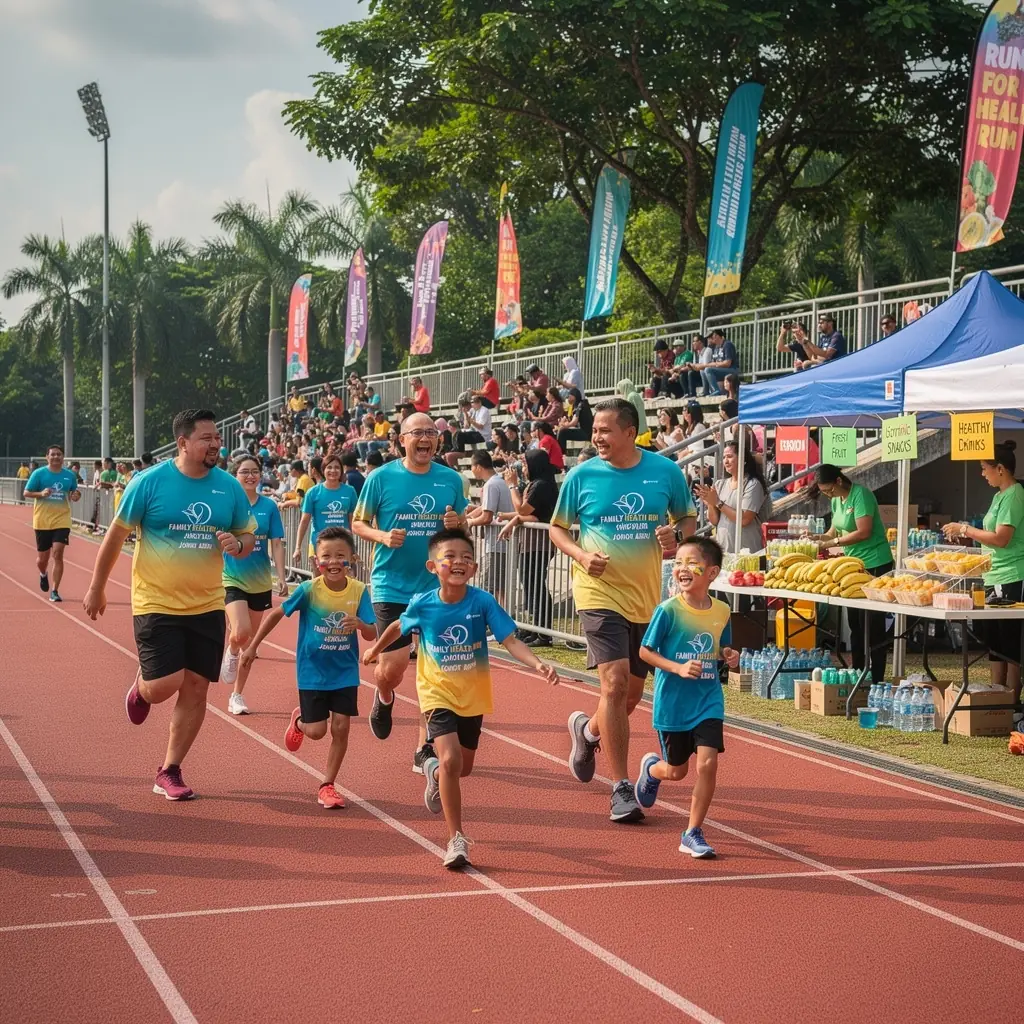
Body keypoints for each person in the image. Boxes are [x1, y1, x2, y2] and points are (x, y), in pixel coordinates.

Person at [83, 409, 257, 801]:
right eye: (206, 438)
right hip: (156, 601)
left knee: (197, 689)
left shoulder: (227, 487)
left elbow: (248, 539)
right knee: (164, 685)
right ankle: (142, 690)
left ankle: (170, 770)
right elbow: (116, 535)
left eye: (216, 438)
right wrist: (97, 586)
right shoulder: (149, 483)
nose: (215, 444)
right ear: (183, 443)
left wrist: (238, 545)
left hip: (208, 603)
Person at [362, 527, 559, 869]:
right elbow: (397, 626)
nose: (458, 562)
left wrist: (538, 663)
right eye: (449, 556)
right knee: (452, 759)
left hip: (474, 693)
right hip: (437, 691)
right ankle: (456, 840)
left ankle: (435, 774)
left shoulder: (482, 602)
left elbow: (510, 640)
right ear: (432, 566)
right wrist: (375, 649)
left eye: (467, 558)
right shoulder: (423, 603)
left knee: (461, 769)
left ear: (475, 568)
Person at [550, 398, 696, 822]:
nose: (597, 437)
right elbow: (557, 528)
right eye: (594, 430)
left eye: (605, 430)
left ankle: (588, 730)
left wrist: (676, 535)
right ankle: (620, 788)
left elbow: (687, 520)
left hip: (645, 598)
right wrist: (580, 556)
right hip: (598, 592)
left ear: (630, 432)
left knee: (630, 696)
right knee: (613, 684)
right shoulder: (582, 476)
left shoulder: (665, 472)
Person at [352, 412, 468, 772]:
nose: (425, 439)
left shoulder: (450, 479)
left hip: (437, 585)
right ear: (401, 439)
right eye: (417, 433)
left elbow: (461, 524)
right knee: (394, 667)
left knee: (437, 670)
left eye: (431, 433)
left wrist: (457, 523)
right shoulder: (381, 477)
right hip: (391, 584)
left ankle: (424, 748)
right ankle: (384, 695)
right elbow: (358, 522)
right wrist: (383, 536)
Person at [243, 527, 377, 809]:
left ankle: (327, 785)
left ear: (351, 558)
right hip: (312, 671)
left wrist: (361, 625)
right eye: (326, 556)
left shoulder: (359, 591)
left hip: (344, 671)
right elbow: (277, 614)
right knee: (317, 731)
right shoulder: (309, 590)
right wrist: (254, 645)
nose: (333, 562)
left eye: (340, 555)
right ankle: (300, 722)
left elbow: (371, 634)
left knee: (341, 727)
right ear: (317, 561)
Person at [634, 538, 739, 858]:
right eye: (678, 562)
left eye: (691, 562)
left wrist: (729, 656)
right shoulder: (667, 611)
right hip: (673, 704)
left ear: (711, 572)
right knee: (676, 771)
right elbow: (645, 652)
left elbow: (723, 648)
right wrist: (677, 668)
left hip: (708, 700)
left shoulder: (722, 610)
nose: (681, 568)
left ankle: (692, 831)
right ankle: (652, 771)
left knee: (707, 763)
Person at [942, 441, 1024, 693]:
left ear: (1000, 469)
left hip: (1011, 575)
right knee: (995, 643)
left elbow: (1001, 538)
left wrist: (966, 529)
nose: (982, 473)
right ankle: (995, 693)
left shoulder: (1014, 494)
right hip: (993, 573)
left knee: (1011, 644)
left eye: (984, 468)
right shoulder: (999, 495)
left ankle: (1009, 701)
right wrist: (966, 535)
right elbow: (989, 534)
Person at [810, 465, 893, 683]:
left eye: (828, 490)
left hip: (875, 564)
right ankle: (858, 672)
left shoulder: (861, 495)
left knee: (873, 625)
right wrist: (819, 538)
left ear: (838, 481)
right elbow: (833, 530)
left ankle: (877, 678)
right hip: (852, 566)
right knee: (855, 624)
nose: (828, 495)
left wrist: (833, 543)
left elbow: (863, 531)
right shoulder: (836, 500)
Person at [221, 455, 288, 715]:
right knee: (240, 632)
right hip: (232, 576)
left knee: (251, 642)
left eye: (255, 472)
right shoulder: (227, 505)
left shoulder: (269, 506)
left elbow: (277, 543)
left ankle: (236, 695)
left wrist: (281, 577)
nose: (250, 476)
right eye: (244, 472)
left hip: (260, 580)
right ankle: (232, 647)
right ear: (235, 476)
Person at [500, 448, 559, 647]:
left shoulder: (542, 485)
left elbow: (523, 510)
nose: (523, 468)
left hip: (539, 543)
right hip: (531, 543)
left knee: (535, 585)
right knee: (530, 585)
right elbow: (529, 514)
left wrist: (511, 486)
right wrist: (506, 516)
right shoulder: (537, 484)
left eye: (525, 464)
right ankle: (536, 628)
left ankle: (544, 633)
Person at [23, 445, 81, 602]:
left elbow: (74, 493)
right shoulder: (39, 474)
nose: (56, 457)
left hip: (62, 519)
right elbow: (26, 492)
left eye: (59, 454)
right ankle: (43, 574)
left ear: (63, 457)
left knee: (58, 553)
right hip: (42, 520)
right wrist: (40, 494)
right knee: (42, 559)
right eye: (53, 455)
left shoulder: (69, 476)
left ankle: (55, 590)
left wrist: (76, 495)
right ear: (47, 457)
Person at [695, 441, 769, 553]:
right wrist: (710, 501)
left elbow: (744, 519)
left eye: (729, 456)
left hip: (748, 552)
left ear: (742, 459)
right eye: (724, 457)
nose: (726, 461)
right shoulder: (720, 484)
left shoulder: (752, 484)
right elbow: (714, 521)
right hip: (724, 551)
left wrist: (718, 502)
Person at [294, 453, 359, 575]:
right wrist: (297, 547)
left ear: (341, 470)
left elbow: (352, 522)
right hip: (318, 545)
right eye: (329, 467)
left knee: (345, 582)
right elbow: (304, 521)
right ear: (323, 470)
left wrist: (353, 547)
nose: (333, 471)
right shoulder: (313, 492)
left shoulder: (350, 491)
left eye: (336, 467)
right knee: (320, 584)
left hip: (342, 545)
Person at [466, 450, 514, 604]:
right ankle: (502, 618)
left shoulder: (491, 484)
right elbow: (485, 508)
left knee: (488, 586)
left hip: (495, 544)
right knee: (499, 587)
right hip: (504, 543)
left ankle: (491, 620)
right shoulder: (500, 481)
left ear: (478, 466)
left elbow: (487, 517)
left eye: (472, 466)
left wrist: (471, 522)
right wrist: (470, 515)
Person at [701, 329, 739, 397]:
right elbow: (715, 362)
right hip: (722, 370)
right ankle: (706, 392)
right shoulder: (716, 348)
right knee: (703, 371)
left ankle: (716, 391)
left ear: (718, 336)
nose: (711, 339)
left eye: (713, 337)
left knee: (708, 370)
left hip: (732, 370)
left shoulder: (727, 345)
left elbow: (728, 363)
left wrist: (715, 365)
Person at [556, 387, 593, 453]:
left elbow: (574, 422)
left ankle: (561, 453)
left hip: (586, 433)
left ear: (574, 396)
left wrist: (564, 426)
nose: (568, 399)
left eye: (569, 397)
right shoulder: (576, 405)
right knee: (560, 431)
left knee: (562, 432)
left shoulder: (581, 405)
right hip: (582, 431)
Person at [615, 379, 652, 447]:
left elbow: (631, 413)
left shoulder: (631, 396)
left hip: (639, 432)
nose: (620, 391)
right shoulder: (635, 395)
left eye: (621, 388)